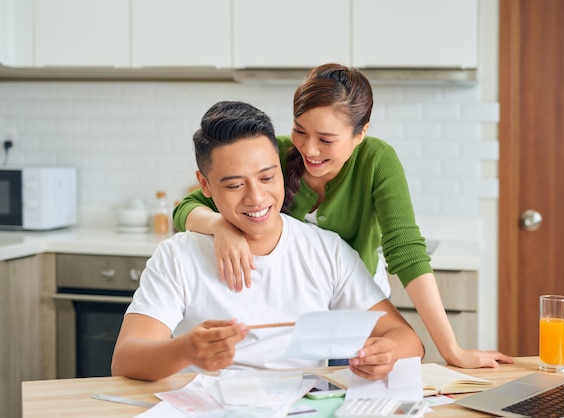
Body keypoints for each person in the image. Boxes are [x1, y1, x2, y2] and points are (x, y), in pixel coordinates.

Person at [173, 63, 514, 370]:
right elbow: (187, 207)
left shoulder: (377, 160)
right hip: (295, 311)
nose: (308, 149)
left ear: (360, 133)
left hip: (358, 307)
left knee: (350, 386)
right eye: (300, 131)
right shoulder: (273, 155)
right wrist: (220, 227)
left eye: (326, 139)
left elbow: (406, 250)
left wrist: (451, 350)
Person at [111, 101, 423, 382]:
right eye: (234, 185)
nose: (257, 198)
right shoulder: (178, 256)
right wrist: (184, 351)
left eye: (267, 177)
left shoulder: (326, 251)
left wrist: (388, 353)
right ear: (204, 184)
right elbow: (125, 360)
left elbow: (408, 340)